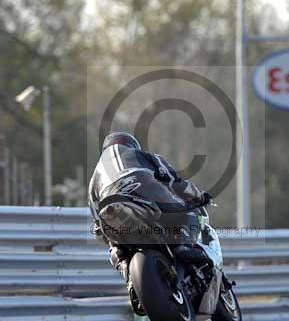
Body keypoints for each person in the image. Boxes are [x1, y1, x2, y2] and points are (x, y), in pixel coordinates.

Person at [88, 132, 212, 311]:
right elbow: (174, 181)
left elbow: (97, 227)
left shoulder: (94, 179)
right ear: (132, 145)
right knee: (188, 212)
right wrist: (199, 196)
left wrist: (110, 239)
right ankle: (182, 246)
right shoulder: (142, 155)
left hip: (109, 210)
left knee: (115, 245)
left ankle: (129, 276)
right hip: (143, 188)